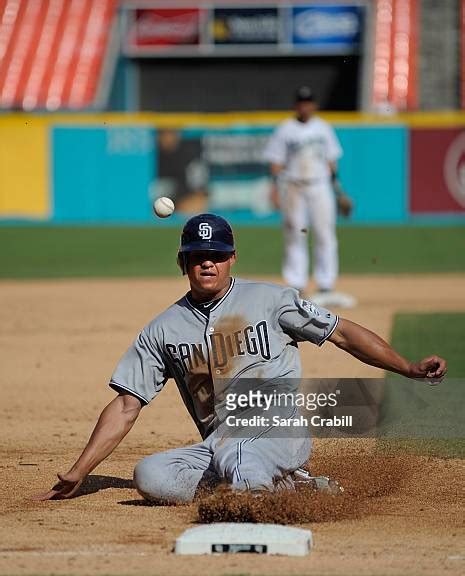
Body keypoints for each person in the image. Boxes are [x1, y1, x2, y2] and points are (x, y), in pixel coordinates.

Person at [33, 214, 447, 503]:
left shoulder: (272, 300)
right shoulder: (163, 329)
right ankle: (289, 488)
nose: (207, 261)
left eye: (216, 253)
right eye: (197, 255)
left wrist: (407, 367)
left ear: (232, 258)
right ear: (183, 263)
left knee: (239, 449)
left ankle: (250, 504)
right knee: (151, 475)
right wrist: (81, 469)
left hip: (278, 429)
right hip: (219, 443)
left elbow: (343, 334)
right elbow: (126, 405)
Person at [264, 85, 356, 308]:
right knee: (295, 234)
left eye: (308, 102)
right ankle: (297, 283)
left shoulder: (323, 128)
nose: (305, 106)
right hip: (294, 186)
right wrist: (275, 190)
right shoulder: (285, 129)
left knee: (325, 234)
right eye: (301, 102)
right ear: (296, 105)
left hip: (320, 185)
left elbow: (331, 161)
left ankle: (326, 284)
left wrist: (339, 191)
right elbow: (276, 163)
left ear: (313, 105)